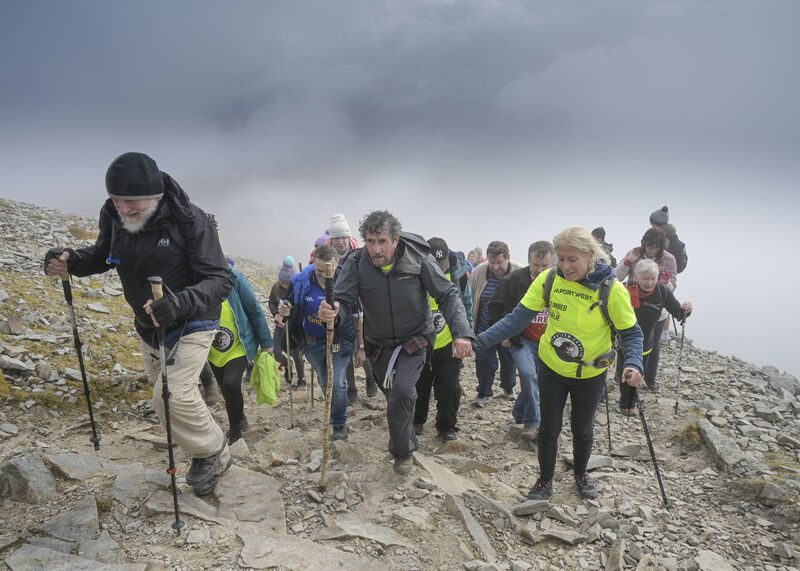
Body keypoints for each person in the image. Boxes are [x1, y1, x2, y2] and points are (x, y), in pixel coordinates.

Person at [44, 152, 233, 496]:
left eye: (132, 204)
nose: (123, 210)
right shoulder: (114, 214)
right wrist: (72, 260)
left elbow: (220, 280)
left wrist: (178, 303)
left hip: (192, 321)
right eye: (116, 202)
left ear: (157, 197)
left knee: (169, 395)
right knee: (168, 399)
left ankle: (213, 450)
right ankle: (203, 445)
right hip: (149, 327)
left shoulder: (190, 221)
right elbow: (105, 254)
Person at [475, 226, 643, 500]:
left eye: (572, 259)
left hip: (590, 372)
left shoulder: (611, 290)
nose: (564, 266)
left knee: (582, 429)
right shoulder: (549, 279)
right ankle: (544, 480)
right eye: (560, 258)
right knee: (549, 428)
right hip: (552, 367)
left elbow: (632, 333)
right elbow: (517, 317)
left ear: (590, 256)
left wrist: (634, 364)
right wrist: (480, 340)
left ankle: (581, 473)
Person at [319, 210, 474, 475]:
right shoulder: (357, 264)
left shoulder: (419, 258)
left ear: (395, 239)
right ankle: (406, 436)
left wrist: (462, 333)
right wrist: (332, 311)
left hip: (416, 336)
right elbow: (343, 302)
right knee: (394, 397)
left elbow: (448, 294)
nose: (375, 249)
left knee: (402, 391)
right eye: (369, 241)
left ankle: (402, 454)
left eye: (381, 241)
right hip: (378, 342)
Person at [279, 245, 354, 440]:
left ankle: (339, 424)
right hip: (312, 343)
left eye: (327, 270)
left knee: (337, 383)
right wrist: (284, 309)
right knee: (324, 381)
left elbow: (356, 311)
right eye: (319, 270)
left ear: (337, 263)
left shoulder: (346, 281)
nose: (322, 274)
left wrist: (361, 345)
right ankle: (334, 412)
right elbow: (287, 303)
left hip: (338, 341)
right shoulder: (303, 281)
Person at [488, 241, 554, 440]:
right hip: (521, 340)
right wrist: (504, 334)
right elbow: (494, 308)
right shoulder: (513, 281)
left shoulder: (561, 282)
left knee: (541, 380)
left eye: (545, 266)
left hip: (549, 342)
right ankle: (532, 422)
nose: (540, 270)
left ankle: (519, 412)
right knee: (527, 374)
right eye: (536, 265)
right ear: (528, 261)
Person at [413, 237, 473, 442]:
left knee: (449, 388)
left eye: (442, 265)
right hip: (421, 343)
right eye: (434, 266)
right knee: (419, 386)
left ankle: (446, 426)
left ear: (448, 260)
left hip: (449, 344)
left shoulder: (459, 277)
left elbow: (467, 307)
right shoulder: (415, 274)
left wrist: (467, 336)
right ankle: (416, 420)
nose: (438, 270)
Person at [208, 259, 273, 444]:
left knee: (230, 384)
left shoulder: (234, 278)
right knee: (224, 387)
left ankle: (235, 433)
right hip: (213, 347)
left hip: (239, 345)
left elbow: (254, 309)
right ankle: (240, 417)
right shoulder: (196, 277)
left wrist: (266, 341)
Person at [617, 260, 692, 408]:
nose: (650, 283)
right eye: (645, 278)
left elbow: (678, 313)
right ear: (636, 277)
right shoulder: (625, 289)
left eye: (653, 278)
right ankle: (626, 402)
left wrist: (686, 309)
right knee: (625, 371)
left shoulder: (662, 291)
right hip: (624, 340)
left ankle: (628, 400)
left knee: (637, 372)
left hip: (646, 342)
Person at [616, 227, 677, 387]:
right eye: (650, 246)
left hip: (657, 311)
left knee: (653, 346)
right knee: (625, 344)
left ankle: (650, 380)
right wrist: (628, 261)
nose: (652, 250)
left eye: (657, 247)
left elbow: (672, 287)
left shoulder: (669, 259)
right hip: (632, 308)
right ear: (644, 243)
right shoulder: (634, 253)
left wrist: (665, 284)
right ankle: (620, 377)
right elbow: (616, 277)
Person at [327, 213, 378, 401]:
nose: (340, 242)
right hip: (339, 312)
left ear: (349, 238)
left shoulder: (361, 254)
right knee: (344, 351)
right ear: (331, 239)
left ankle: (371, 379)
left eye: (343, 237)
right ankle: (351, 387)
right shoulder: (326, 256)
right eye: (336, 238)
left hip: (362, 308)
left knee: (362, 349)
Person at [469, 241, 523, 406]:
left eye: (499, 262)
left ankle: (508, 388)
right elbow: (468, 300)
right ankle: (484, 392)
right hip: (484, 328)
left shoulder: (519, 272)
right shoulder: (478, 272)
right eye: (492, 262)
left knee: (509, 361)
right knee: (484, 362)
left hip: (509, 328)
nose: (495, 266)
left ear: (508, 258)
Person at [269, 256, 307, 389]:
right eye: (283, 282)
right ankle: (288, 365)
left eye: (288, 283)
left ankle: (302, 379)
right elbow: (272, 303)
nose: (286, 285)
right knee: (276, 351)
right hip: (280, 326)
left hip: (294, 327)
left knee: (296, 352)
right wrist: (276, 314)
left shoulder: (298, 288)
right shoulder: (275, 288)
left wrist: (291, 318)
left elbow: (301, 308)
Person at [649, 206, 688, 274]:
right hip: (669, 274)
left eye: (652, 224)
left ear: (656, 224)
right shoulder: (671, 234)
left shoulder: (662, 239)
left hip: (660, 276)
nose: (651, 226)